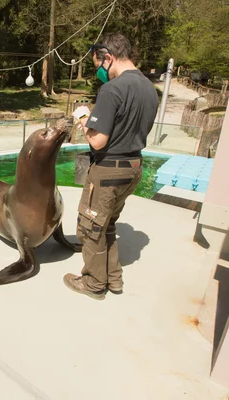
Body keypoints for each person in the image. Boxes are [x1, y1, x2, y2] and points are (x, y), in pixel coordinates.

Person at [63, 32, 158, 300]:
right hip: (134, 166)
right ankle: (113, 279)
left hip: (108, 170)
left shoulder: (112, 89)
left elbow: (97, 140)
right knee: (108, 225)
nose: (99, 73)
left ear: (109, 57)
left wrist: (83, 118)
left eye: (98, 66)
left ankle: (93, 284)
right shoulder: (149, 88)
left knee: (90, 228)